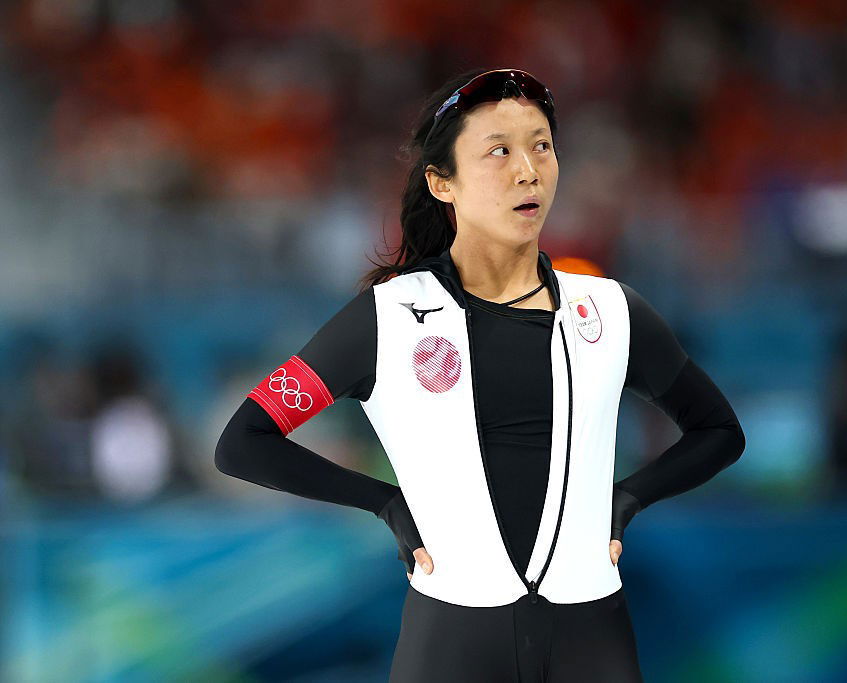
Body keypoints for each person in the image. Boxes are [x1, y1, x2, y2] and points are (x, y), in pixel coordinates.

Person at [215, 67, 745, 683]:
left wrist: (627, 498)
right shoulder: (388, 318)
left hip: (592, 639)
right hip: (451, 642)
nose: (528, 171)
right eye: (499, 151)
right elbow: (243, 442)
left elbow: (719, 432)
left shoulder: (609, 310)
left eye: (541, 146)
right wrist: (384, 503)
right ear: (442, 183)